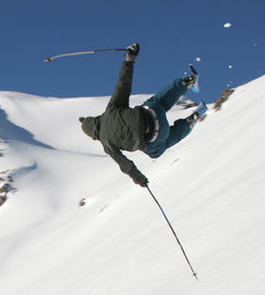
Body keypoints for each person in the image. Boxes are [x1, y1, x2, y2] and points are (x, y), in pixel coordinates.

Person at [78, 43, 206, 187]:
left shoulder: (106, 143)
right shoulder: (111, 110)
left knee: (156, 151)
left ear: (93, 135)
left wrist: (140, 179)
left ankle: (189, 122)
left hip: (156, 135)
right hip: (151, 111)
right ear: (95, 119)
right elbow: (122, 85)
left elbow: (125, 165)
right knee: (156, 102)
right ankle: (186, 82)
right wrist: (129, 60)